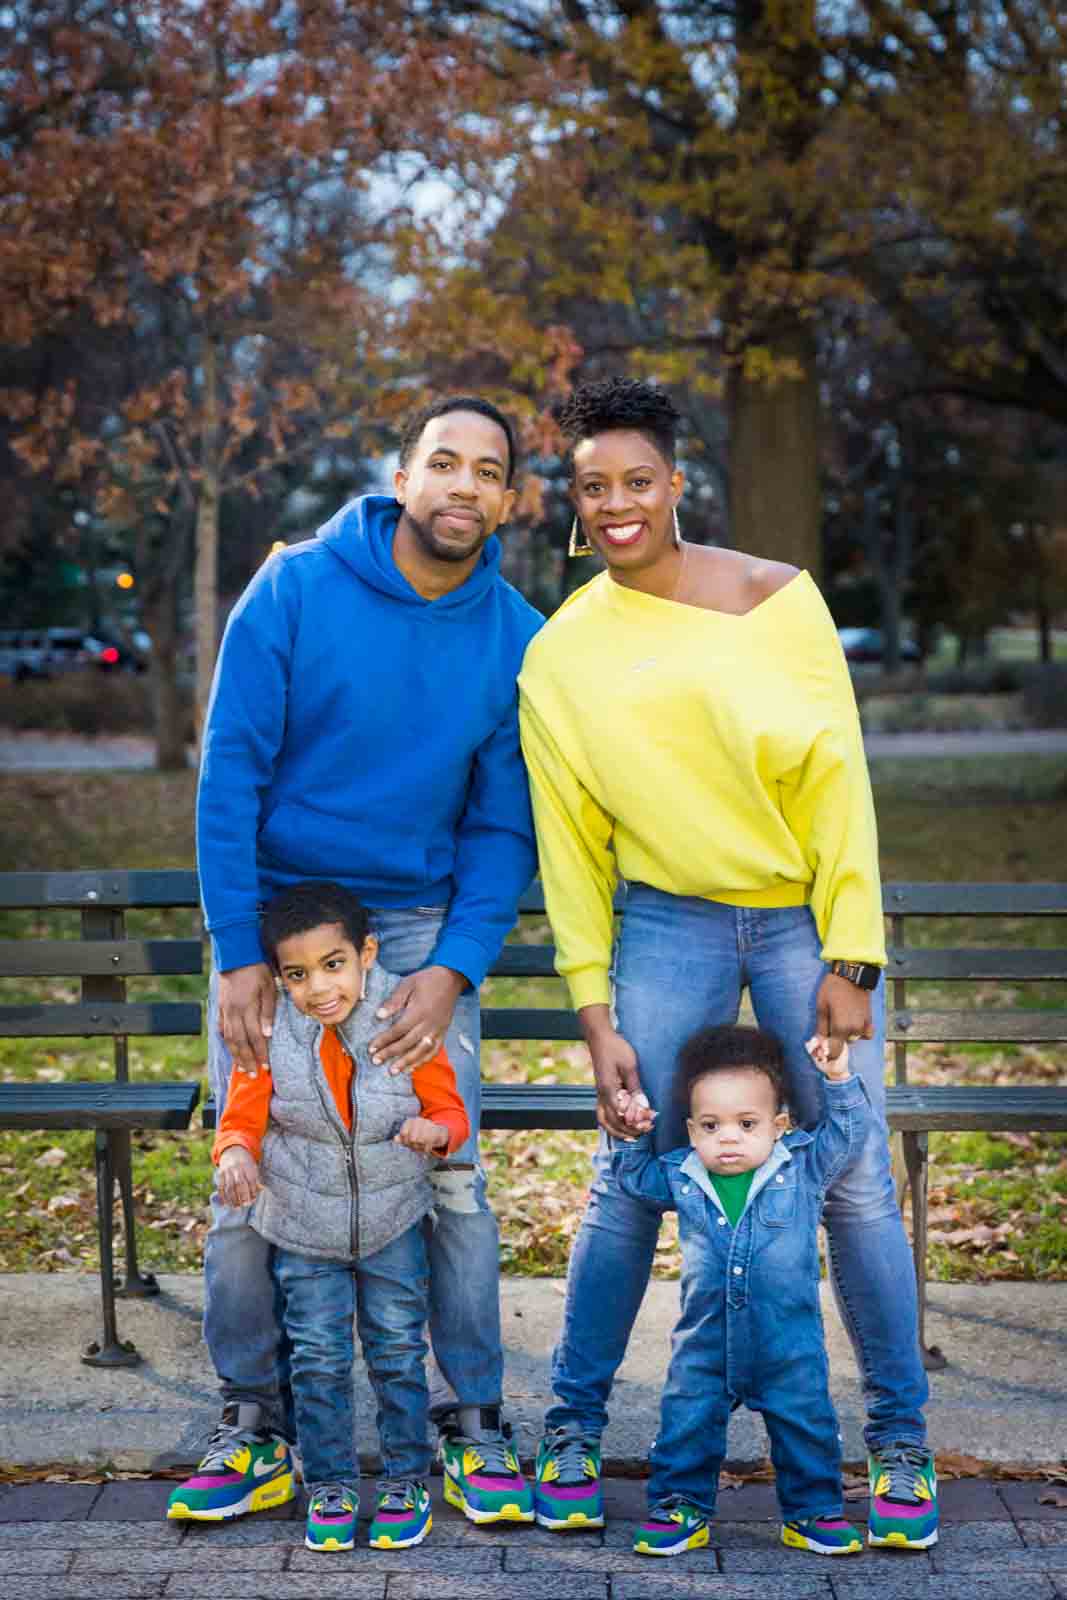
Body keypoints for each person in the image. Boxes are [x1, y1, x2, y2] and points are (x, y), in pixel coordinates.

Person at [517, 377, 936, 1549]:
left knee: (849, 1180)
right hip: (660, 923)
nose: (615, 505)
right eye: (592, 487)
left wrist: (852, 950)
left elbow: (836, 777)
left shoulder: (779, 600)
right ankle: (569, 1428)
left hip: (801, 915)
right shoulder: (558, 656)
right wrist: (594, 1012)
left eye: (635, 481)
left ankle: (898, 1445)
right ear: (573, 499)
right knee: (625, 1171)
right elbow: (570, 847)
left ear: (673, 481)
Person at [176, 396, 542, 1527]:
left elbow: (500, 823)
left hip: (419, 930)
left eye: (488, 471)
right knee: (253, 1168)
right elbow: (229, 769)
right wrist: (241, 954)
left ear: (508, 500)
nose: (462, 486)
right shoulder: (293, 585)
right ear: (402, 472)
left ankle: (472, 1421)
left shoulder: (517, 635)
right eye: (444, 461)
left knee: (448, 1176)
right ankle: (255, 1421)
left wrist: (454, 968)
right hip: (282, 928)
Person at [169, 882, 470, 1552]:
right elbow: (238, 1119)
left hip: (392, 1221)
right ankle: (329, 1483)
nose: (318, 987)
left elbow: (452, 1114)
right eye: (297, 974)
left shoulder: (402, 1020)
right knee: (318, 1357)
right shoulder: (272, 1033)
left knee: (396, 1352)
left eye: (333, 965)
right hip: (301, 1225)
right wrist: (235, 1156)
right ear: (278, 978)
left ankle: (403, 1482)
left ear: (365, 953)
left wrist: (434, 1132)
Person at [616, 1024, 871, 1558]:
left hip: (788, 1340)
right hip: (705, 1339)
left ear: (778, 1126)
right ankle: (680, 1506)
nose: (727, 1137)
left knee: (805, 1423)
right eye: (711, 1125)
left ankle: (811, 1510)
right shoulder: (683, 1174)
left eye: (746, 1123)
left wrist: (839, 1077)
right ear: (690, 1130)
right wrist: (633, 1134)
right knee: (688, 1421)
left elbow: (848, 1137)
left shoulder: (800, 1168)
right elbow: (636, 1183)